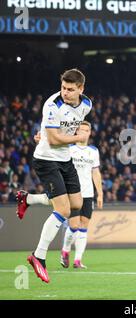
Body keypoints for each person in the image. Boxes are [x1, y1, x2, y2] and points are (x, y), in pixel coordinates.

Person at [15, 69, 92, 283]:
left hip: (65, 160)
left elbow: (62, 132)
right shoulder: (52, 105)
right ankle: (39, 255)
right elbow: (56, 140)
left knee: (76, 203)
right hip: (46, 159)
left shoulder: (86, 105)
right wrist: (76, 138)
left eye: (70, 89)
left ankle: (28, 198)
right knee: (63, 209)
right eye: (63, 88)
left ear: (81, 89)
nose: (65, 93)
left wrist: (49, 134)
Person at [18, 121, 103, 269]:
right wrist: (42, 142)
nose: (83, 132)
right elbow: (52, 152)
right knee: (74, 225)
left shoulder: (93, 151)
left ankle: (78, 260)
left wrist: (100, 193)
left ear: (89, 133)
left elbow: (95, 172)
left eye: (86, 130)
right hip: (72, 190)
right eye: (81, 129)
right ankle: (65, 250)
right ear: (76, 132)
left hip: (88, 193)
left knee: (84, 226)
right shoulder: (68, 148)